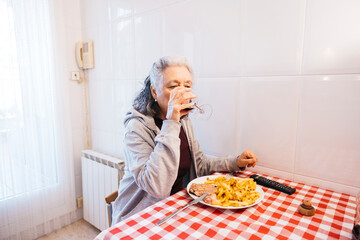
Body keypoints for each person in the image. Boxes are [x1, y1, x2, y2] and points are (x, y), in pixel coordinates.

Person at [111, 56, 258, 224]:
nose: (182, 92)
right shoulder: (136, 128)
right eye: (173, 86)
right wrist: (171, 121)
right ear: (154, 92)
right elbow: (156, 187)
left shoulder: (183, 121)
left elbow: (199, 165)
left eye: (187, 86)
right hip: (140, 217)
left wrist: (235, 162)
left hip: (173, 209)